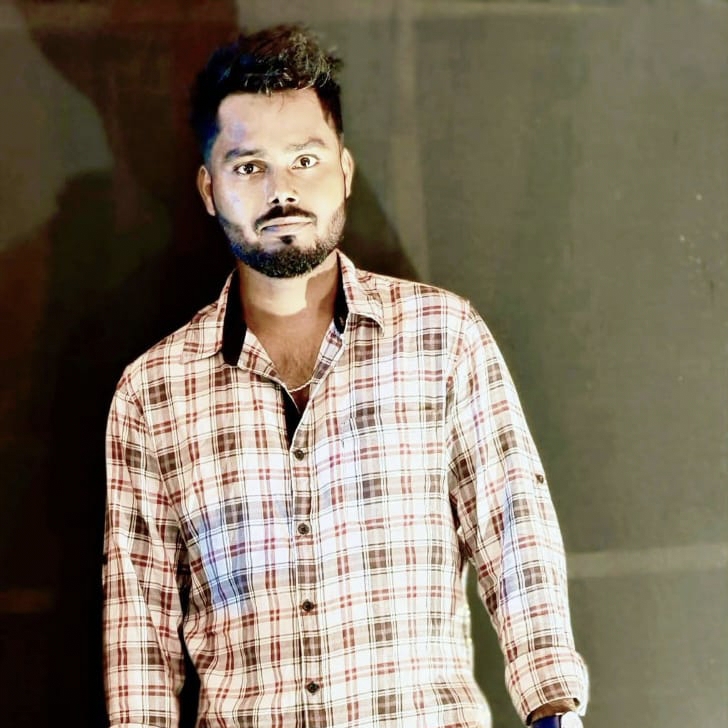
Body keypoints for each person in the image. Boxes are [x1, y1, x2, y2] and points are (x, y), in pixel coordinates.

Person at [102, 23, 589, 728]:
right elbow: (139, 627)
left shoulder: (443, 339)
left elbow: (515, 532)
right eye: (249, 167)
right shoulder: (152, 394)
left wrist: (554, 710)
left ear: (346, 170)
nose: (283, 190)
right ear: (209, 188)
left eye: (305, 159)